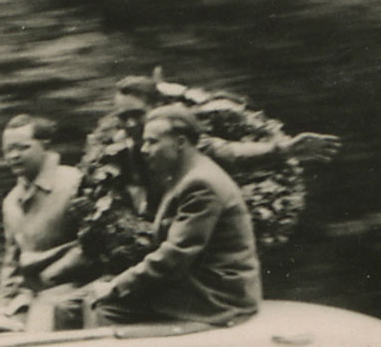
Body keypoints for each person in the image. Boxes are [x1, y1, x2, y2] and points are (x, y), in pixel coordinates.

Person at [88, 105, 263, 328]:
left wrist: (116, 286)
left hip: (218, 296)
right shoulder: (183, 176)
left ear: (180, 142)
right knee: (92, 294)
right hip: (201, 283)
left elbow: (176, 254)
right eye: (145, 142)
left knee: (106, 307)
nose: (144, 149)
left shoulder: (201, 183)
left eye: (152, 142)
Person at [0, 114, 83, 328]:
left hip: (75, 291)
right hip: (32, 298)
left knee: (43, 316)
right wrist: (0, 309)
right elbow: (11, 266)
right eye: (8, 150)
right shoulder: (11, 202)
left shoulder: (73, 183)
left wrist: (50, 274)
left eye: (22, 148)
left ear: (44, 145)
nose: (14, 156)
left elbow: (91, 247)